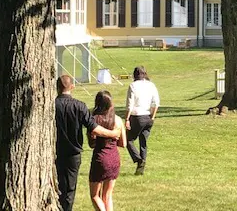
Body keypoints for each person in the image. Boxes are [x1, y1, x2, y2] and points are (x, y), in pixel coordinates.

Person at [55, 76, 120, 211]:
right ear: (72, 87)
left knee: (55, 185)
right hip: (73, 153)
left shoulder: (51, 105)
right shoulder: (79, 106)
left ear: (57, 87)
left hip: (54, 152)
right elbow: (94, 128)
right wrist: (113, 134)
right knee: (69, 189)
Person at [89, 90, 126, 211]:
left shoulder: (93, 120)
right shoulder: (118, 120)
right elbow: (123, 143)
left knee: (95, 195)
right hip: (114, 157)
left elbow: (91, 144)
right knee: (107, 195)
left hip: (100, 157)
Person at [125, 66, 160, 176]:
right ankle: (141, 169)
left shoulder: (133, 86)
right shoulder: (151, 85)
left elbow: (129, 105)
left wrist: (126, 119)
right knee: (143, 142)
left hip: (137, 117)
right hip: (148, 116)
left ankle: (138, 160)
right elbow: (156, 103)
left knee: (128, 140)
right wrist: (153, 117)